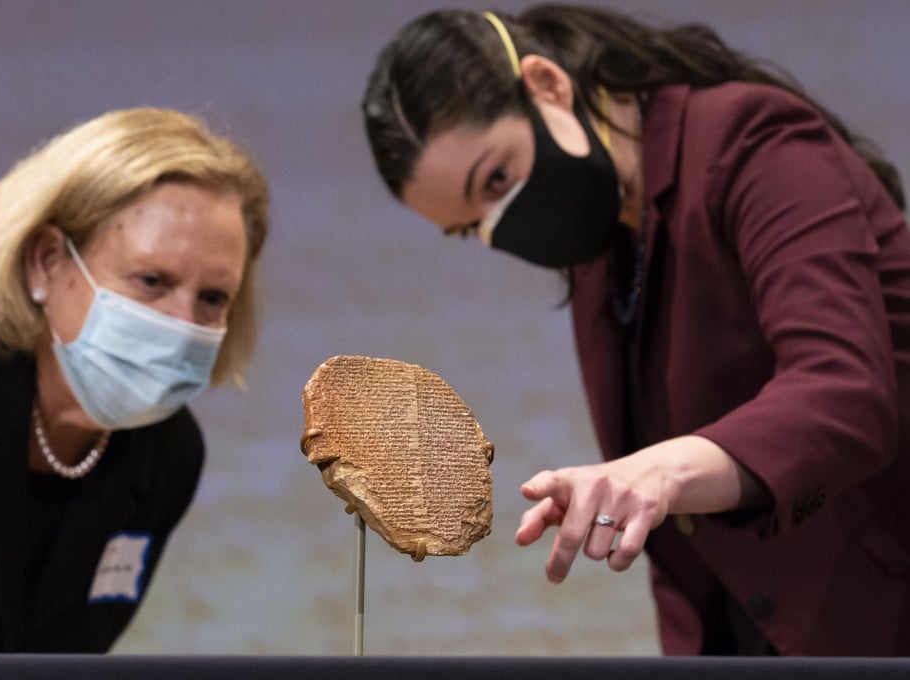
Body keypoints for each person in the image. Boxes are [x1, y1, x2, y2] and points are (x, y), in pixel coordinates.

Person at [361, 5, 910, 656]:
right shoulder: (604, 239)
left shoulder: (751, 139)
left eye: (498, 180)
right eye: (469, 227)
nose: (499, 228)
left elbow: (845, 391)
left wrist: (661, 473)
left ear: (547, 84)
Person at [0, 107, 269, 652]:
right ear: (46, 261)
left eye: (212, 298)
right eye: (152, 281)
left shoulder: (167, 455)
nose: (183, 324)